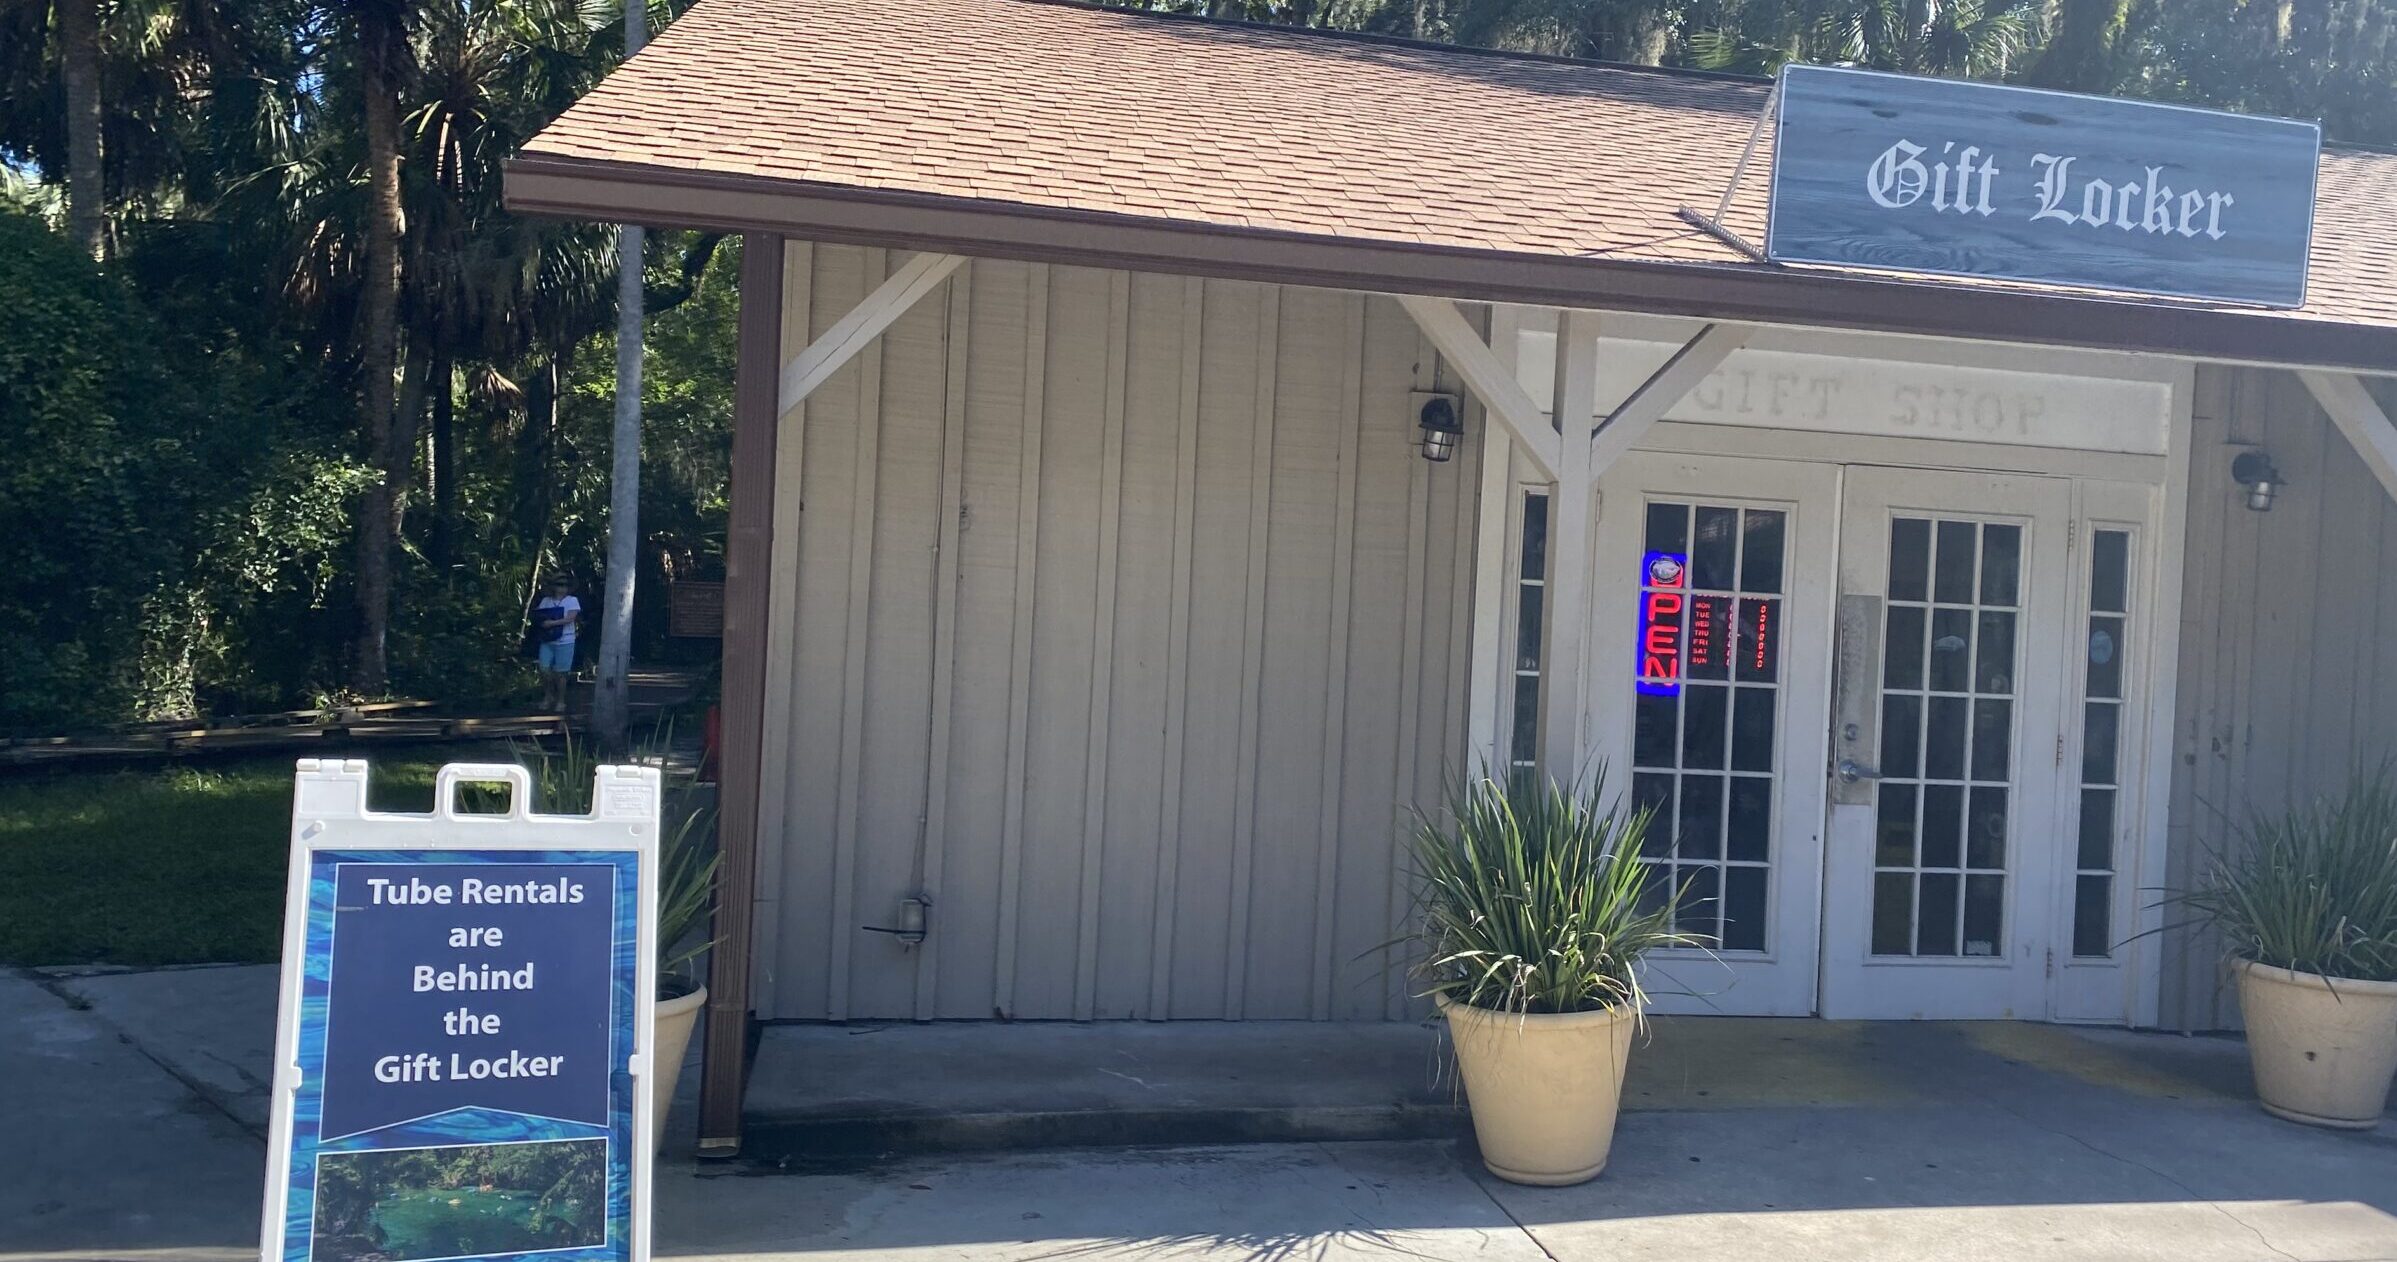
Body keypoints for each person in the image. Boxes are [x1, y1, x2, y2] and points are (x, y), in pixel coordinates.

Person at [532, 578, 581, 712]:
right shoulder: (546, 601)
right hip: (547, 640)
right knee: (544, 669)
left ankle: (560, 701)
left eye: (565, 585)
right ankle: (548, 696)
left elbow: (570, 618)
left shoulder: (572, 601)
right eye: (559, 585)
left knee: (561, 673)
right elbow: (539, 615)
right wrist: (542, 623)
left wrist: (552, 623)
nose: (562, 588)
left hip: (565, 641)